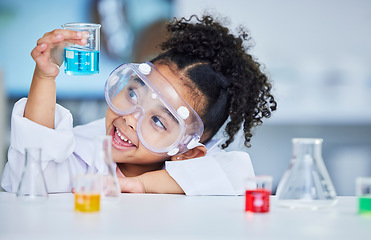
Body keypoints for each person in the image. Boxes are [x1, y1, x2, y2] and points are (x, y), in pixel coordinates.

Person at [1, 14, 277, 195]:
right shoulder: (84, 151)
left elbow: (237, 173)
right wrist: (45, 77)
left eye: (159, 121)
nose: (131, 118)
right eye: (133, 94)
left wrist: (139, 185)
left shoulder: (202, 169)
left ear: (187, 152)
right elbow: (28, 174)